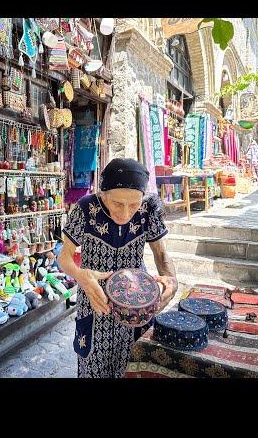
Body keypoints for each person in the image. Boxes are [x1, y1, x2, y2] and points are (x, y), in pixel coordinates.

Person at [57, 158, 178, 378]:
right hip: (96, 302)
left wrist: (172, 281)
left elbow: (161, 254)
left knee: (132, 368)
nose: (124, 213)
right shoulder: (85, 208)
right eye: (117, 204)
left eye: (133, 205)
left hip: (137, 304)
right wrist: (79, 276)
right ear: (103, 194)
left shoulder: (149, 210)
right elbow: (63, 258)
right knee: (92, 368)